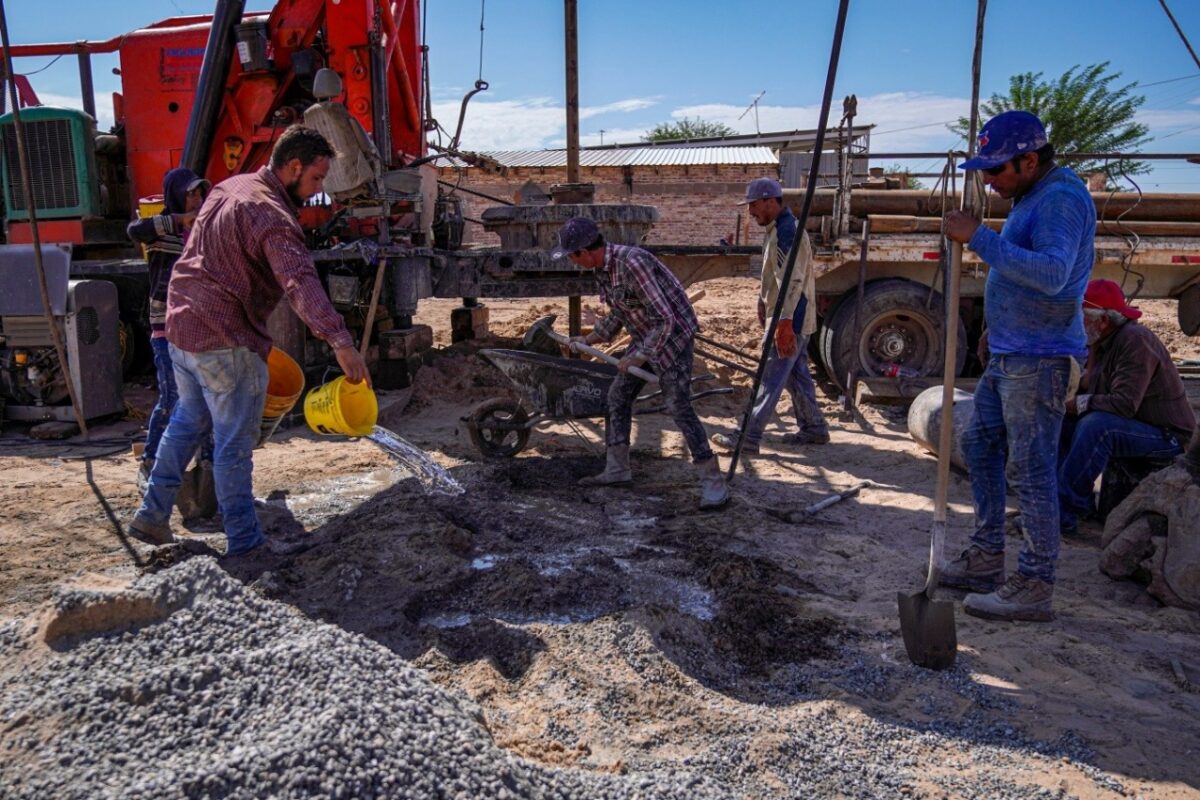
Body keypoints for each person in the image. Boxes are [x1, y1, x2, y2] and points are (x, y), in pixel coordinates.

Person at [127, 126, 370, 555]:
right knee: (233, 443)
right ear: (293, 167)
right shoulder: (272, 215)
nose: (317, 190)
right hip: (224, 338)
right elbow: (300, 282)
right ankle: (245, 541)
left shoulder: (230, 187)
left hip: (181, 329)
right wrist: (341, 341)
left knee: (186, 422)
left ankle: (151, 516)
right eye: (316, 179)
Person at [940, 110, 1094, 622]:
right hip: (1012, 352)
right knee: (979, 443)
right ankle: (987, 557)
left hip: (1041, 358)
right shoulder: (1031, 194)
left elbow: (1052, 273)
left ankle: (1034, 583)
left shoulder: (1062, 199)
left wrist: (978, 237)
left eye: (996, 169)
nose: (988, 180)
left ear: (1029, 160)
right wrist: (997, 327)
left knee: (1031, 472)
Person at [552, 216, 729, 510]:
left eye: (572, 256)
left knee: (678, 406)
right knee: (617, 396)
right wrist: (590, 339)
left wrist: (639, 356)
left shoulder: (632, 262)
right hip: (646, 334)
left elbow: (666, 319)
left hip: (673, 337)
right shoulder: (603, 270)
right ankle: (618, 470)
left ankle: (713, 482)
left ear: (584, 251)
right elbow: (621, 311)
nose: (572, 262)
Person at [1057, 279, 1194, 534]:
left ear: (1103, 321)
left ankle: (1065, 510)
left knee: (1095, 426)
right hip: (1139, 425)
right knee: (1064, 421)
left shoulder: (1135, 341)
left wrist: (1079, 402)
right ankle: (1070, 503)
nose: (1078, 324)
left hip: (1167, 436)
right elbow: (1092, 384)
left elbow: (1124, 404)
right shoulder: (1104, 340)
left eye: (1083, 318)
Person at [711, 177, 829, 455]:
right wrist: (762, 302)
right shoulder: (778, 229)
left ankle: (747, 438)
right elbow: (774, 278)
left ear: (769, 201)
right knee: (796, 375)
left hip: (790, 318)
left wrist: (784, 323)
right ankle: (814, 428)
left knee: (769, 378)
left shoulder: (787, 232)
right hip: (790, 316)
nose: (750, 212)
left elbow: (791, 281)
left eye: (753, 205)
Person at [126, 168, 213, 492]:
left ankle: (207, 468)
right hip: (166, 328)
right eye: (191, 193)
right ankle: (150, 461)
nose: (196, 199)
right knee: (172, 397)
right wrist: (179, 220)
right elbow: (135, 230)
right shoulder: (162, 230)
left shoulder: (204, 233)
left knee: (207, 399)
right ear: (176, 195)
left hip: (200, 330)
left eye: (199, 193)